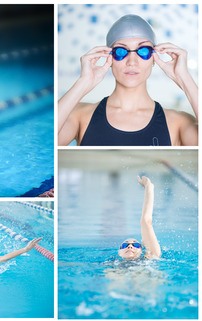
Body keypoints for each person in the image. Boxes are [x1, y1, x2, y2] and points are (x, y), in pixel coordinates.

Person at [58, 14, 198, 146]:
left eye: (143, 51)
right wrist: (83, 82)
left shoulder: (177, 122)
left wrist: (184, 78)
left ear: (153, 59)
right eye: (120, 51)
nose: (132, 62)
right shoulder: (80, 115)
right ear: (110, 57)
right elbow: (46, 143)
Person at [118, 176, 161, 260]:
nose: (130, 246)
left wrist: (148, 186)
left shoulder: (150, 258)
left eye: (136, 245)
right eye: (125, 245)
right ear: (119, 252)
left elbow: (146, 221)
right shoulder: (110, 265)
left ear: (142, 251)